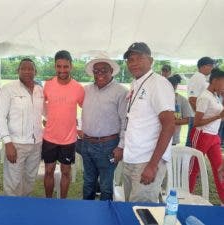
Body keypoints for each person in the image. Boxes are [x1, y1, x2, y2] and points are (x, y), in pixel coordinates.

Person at [122, 42, 175, 203]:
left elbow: (169, 126)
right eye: (131, 59)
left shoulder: (159, 83)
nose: (134, 63)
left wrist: (153, 165)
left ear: (150, 61)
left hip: (147, 161)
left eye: (140, 58)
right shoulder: (136, 83)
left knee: (141, 212)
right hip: (132, 158)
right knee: (130, 210)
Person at [80, 57, 128, 201]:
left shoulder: (121, 92)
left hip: (108, 146)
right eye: (96, 71)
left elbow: (125, 121)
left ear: (111, 71)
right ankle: (86, 213)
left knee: (106, 185)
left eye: (104, 70)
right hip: (87, 143)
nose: (100, 73)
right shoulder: (86, 90)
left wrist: (121, 146)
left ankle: (104, 216)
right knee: (88, 182)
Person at [0, 58, 43, 196]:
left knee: (29, 179)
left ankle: (24, 207)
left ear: (35, 71)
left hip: (36, 144)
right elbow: (0, 117)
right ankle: (11, 211)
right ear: (18, 71)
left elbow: (45, 112)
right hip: (16, 144)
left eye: (31, 69)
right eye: (24, 68)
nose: (27, 71)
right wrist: (7, 143)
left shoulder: (39, 90)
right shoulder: (8, 89)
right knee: (13, 182)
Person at [42, 50, 84, 198]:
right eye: (58, 66)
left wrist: (80, 127)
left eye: (65, 66)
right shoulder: (47, 84)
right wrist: (46, 117)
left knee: (66, 172)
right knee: (49, 171)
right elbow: (40, 103)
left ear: (71, 66)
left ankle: (63, 202)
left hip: (69, 140)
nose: (62, 70)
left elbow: (87, 109)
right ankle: (48, 201)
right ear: (55, 66)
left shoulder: (78, 88)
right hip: (49, 138)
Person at [190, 68, 224, 204]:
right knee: (194, 168)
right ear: (215, 81)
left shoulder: (216, 96)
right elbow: (197, 122)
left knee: (220, 168)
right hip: (202, 134)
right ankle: (185, 196)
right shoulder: (204, 97)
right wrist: (217, 116)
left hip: (213, 136)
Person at [186, 57, 215, 147]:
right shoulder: (198, 78)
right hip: (196, 117)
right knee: (192, 145)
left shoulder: (202, 78)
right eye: (210, 66)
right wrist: (199, 117)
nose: (211, 68)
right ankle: (187, 161)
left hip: (198, 116)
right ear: (203, 67)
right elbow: (192, 99)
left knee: (196, 144)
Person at [168, 74, 193, 145]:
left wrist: (170, 121)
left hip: (173, 137)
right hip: (157, 136)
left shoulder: (182, 100)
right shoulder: (159, 99)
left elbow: (187, 120)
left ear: (175, 86)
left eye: (172, 86)